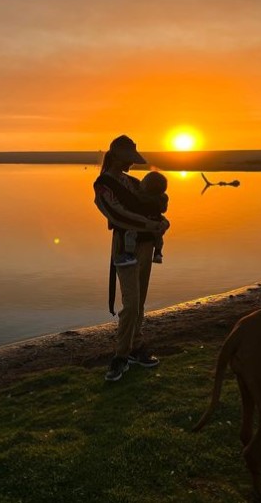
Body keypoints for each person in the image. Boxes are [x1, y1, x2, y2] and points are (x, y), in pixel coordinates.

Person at [93, 135, 170, 381]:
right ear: (116, 157)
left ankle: (136, 347)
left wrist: (162, 222)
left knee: (140, 301)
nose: (132, 165)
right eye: (129, 160)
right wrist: (150, 223)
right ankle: (120, 356)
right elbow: (117, 215)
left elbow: (152, 204)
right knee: (131, 303)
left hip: (145, 246)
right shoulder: (103, 185)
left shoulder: (133, 182)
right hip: (125, 249)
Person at [114, 171, 169, 266]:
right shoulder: (160, 200)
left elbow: (131, 202)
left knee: (129, 234)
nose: (140, 182)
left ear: (145, 186)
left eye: (143, 181)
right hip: (154, 224)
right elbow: (163, 210)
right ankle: (158, 253)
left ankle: (128, 254)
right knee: (158, 235)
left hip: (141, 226)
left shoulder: (141, 197)